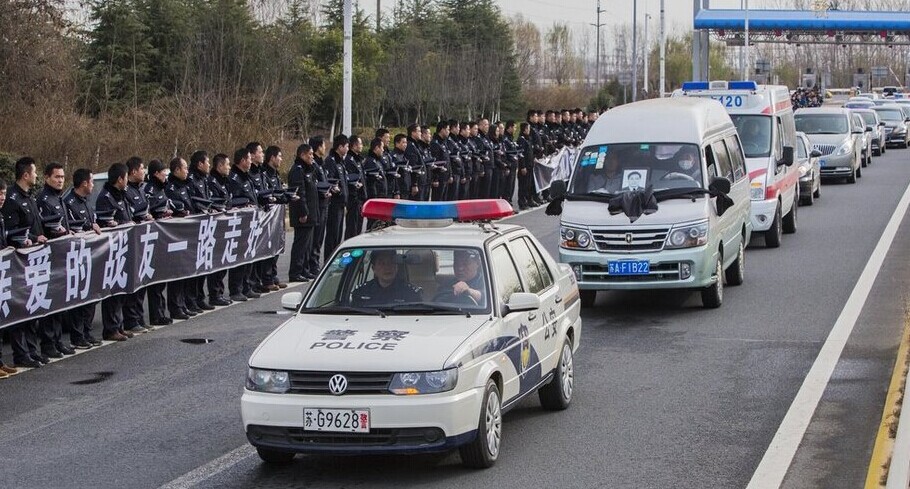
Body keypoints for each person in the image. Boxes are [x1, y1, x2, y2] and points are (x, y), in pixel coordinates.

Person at [35, 162, 77, 357]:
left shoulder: (58, 198)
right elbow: (44, 227)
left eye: (62, 177)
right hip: (49, 257)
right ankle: (48, 343)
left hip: (62, 256)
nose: (60, 180)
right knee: (49, 301)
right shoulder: (43, 199)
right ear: (47, 178)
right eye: (56, 177)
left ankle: (58, 340)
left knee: (59, 301)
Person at [64, 168, 105, 348]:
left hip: (91, 255)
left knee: (91, 296)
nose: (93, 185)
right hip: (76, 257)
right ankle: (78, 335)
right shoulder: (69, 202)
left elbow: (90, 222)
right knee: (78, 298)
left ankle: (87, 332)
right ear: (84, 183)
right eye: (91, 182)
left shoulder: (86, 202)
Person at [95, 162, 134, 342]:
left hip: (124, 247)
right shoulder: (106, 197)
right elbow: (106, 222)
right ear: (120, 179)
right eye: (126, 178)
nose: (127, 181)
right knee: (112, 291)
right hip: (112, 251)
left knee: (122, 290)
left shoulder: (121, 194)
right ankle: (110, 328)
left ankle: (119, 325)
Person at [287, 144, 318, 282]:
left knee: (308, 245)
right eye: (310, 154)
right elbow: (300, 193)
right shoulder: (297, 170)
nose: (312, 156)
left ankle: (305, 270)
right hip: (302, 214)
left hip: (311, 212)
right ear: (302, 155)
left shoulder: (308, 169)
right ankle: (295, 272)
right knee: (300, 245)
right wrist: (303, 212)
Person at [205, 154, 233, 306]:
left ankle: (219, 292)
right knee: (216, 262)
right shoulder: (211, 182)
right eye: (227, 164)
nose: (229, 167)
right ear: (220, 166)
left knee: (223, 261)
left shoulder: (223, 181)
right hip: (215, 228)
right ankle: (214, 294)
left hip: (225, 226)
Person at [350, 249, 422, 307]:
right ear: (374, 268)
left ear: (397, 266)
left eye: (391, 262)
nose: (387, 267)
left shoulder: (410, 292)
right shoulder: (361, 292)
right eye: (382, 263)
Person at [323, 134, 349, 255]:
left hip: (341, 204)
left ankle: (335, 258)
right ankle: (329, 259)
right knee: (332, 235)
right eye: (346, 146)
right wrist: (336, 190)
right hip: (334, 204)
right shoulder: (331, 161)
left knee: (338, 235)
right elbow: (330, 181)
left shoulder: (340, 162)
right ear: (340, 147)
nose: (347, 149)